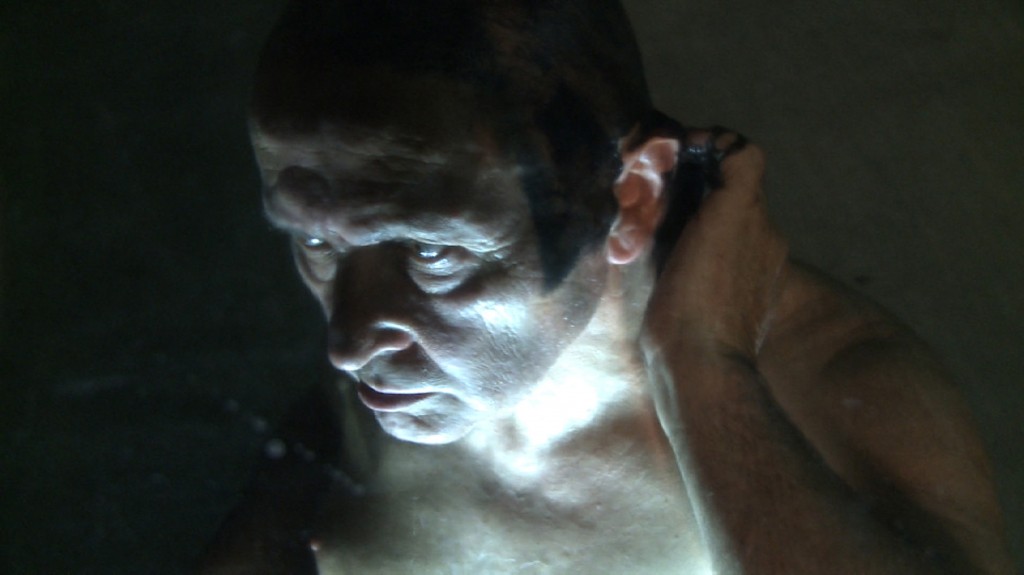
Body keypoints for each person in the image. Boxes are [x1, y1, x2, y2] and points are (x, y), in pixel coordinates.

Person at [199, 1, 1013, 573]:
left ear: (632, 195)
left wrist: (701, 363)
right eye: (315, 241)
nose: (346, 338)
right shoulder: (368, 396)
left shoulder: (840, 388)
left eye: (435, 253)